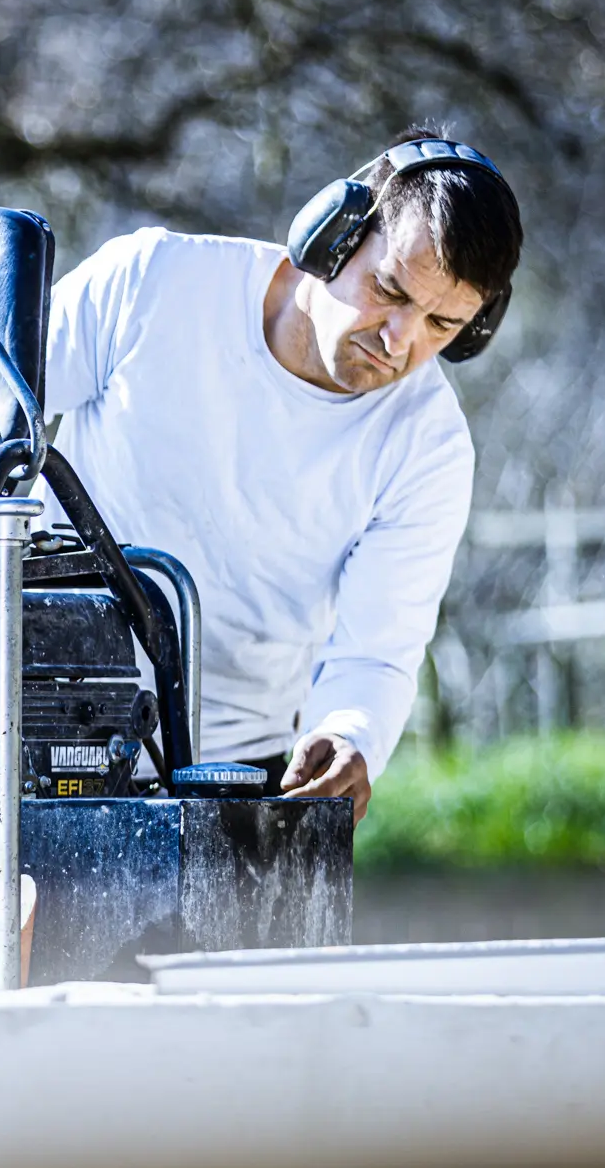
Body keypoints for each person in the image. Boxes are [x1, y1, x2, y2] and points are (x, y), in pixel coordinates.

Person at [42, 129, 522, 820]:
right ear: (334, 233)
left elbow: (378, 651)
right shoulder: (148, 282)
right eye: (389, 289)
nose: (399, 342)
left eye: (442, 326)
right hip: (26, 722)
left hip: (231, 774)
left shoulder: (429, 447)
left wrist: (349, 735)